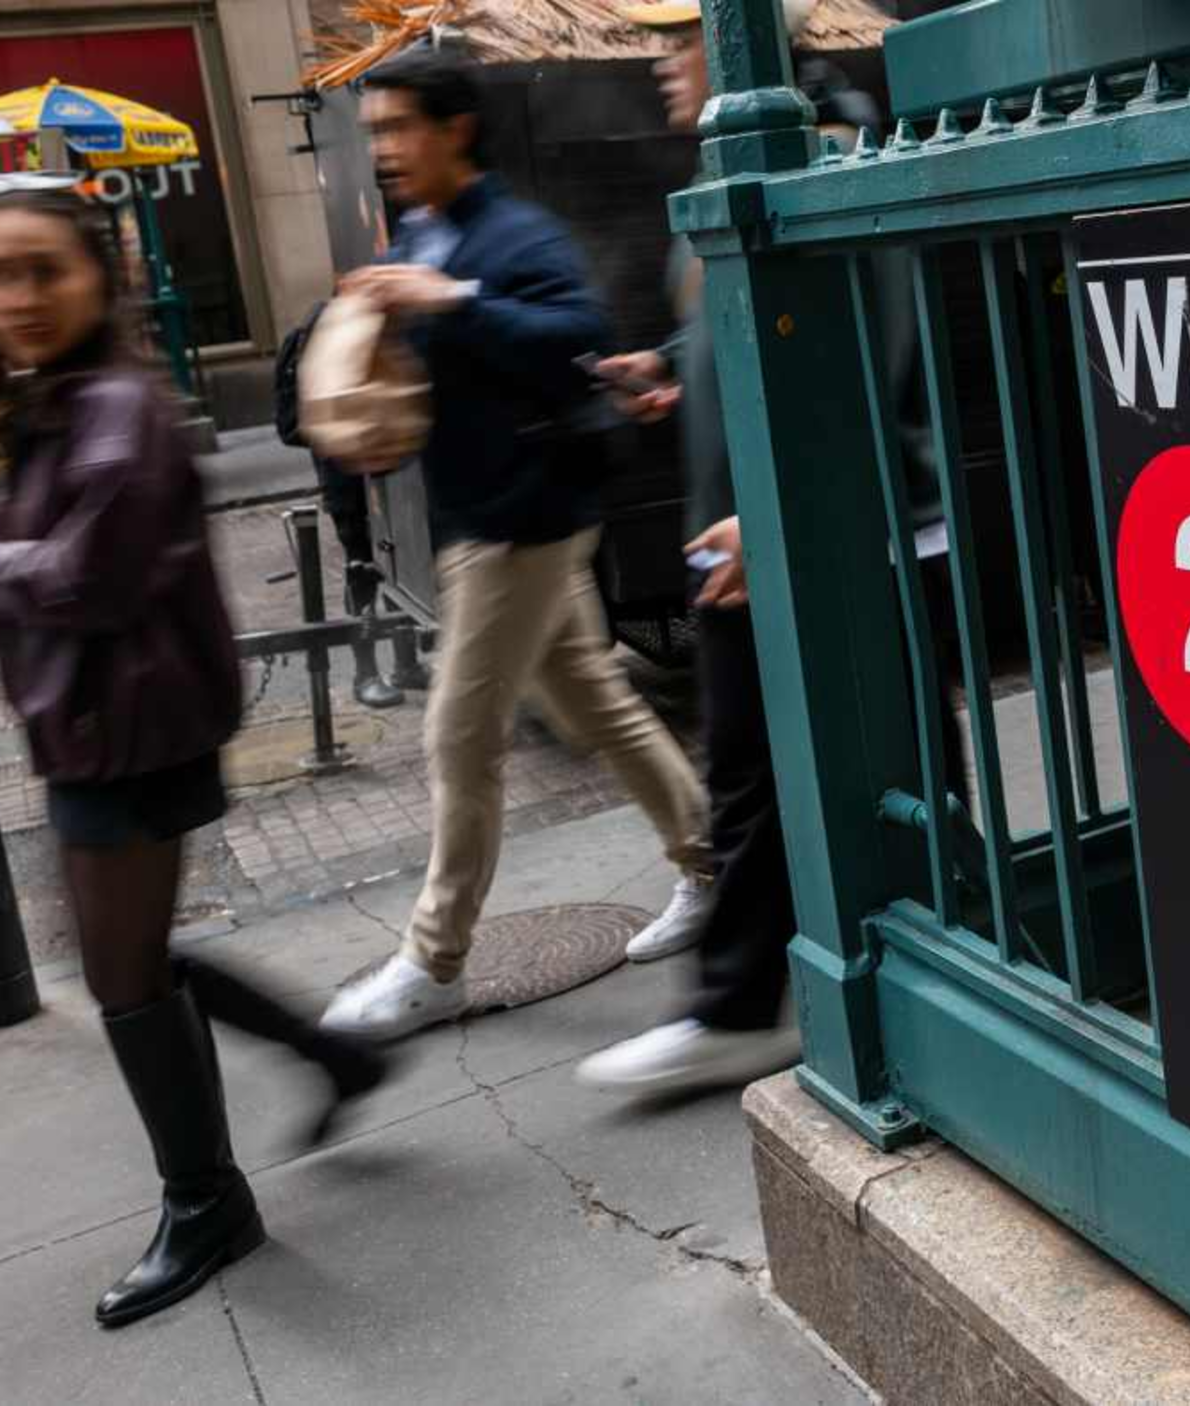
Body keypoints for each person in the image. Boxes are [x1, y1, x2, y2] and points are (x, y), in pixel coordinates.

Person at [0, 188, 390, 1328]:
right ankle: (327, 1058)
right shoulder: (67, 398)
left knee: (120, 973)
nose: (19, 295)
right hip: (107, 723)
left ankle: (207, 1200)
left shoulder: (115, 408)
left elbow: (86, 577)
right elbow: (54, 537)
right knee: (126, 960)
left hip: (129, 729)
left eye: (43, 270)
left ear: (99, 280)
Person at [578, 0, 940, 1095]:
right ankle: (847, 977)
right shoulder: (745, 164)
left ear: (743, 42)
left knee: (812, 765)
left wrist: (783, 513)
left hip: (809, 529)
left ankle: (752, 1003)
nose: (662, 63)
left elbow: (867, 356)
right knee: (790, 764)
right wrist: (671, 362)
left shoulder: (828, 156)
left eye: (679, 36)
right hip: (745, 525)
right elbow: (747, 324)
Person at [317, 49, 711, 1040]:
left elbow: (574, 329)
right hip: (482, 517)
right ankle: (710, 863)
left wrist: (448, 302)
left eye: (397, 127)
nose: (384, 149)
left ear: (455, 129)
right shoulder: (423, 229)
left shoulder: (513, 231)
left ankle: (433, 961)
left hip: (523, 521)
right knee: (594, 702)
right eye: (375, 133)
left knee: (458, 736)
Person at [274, 297, 403, 709]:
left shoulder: (362, 320)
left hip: (384, 468)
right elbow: (300, 422)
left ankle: (406, 663)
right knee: (362, 567)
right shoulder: (324, 330)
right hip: (346, 471)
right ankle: (366, 672)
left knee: (398, 564)